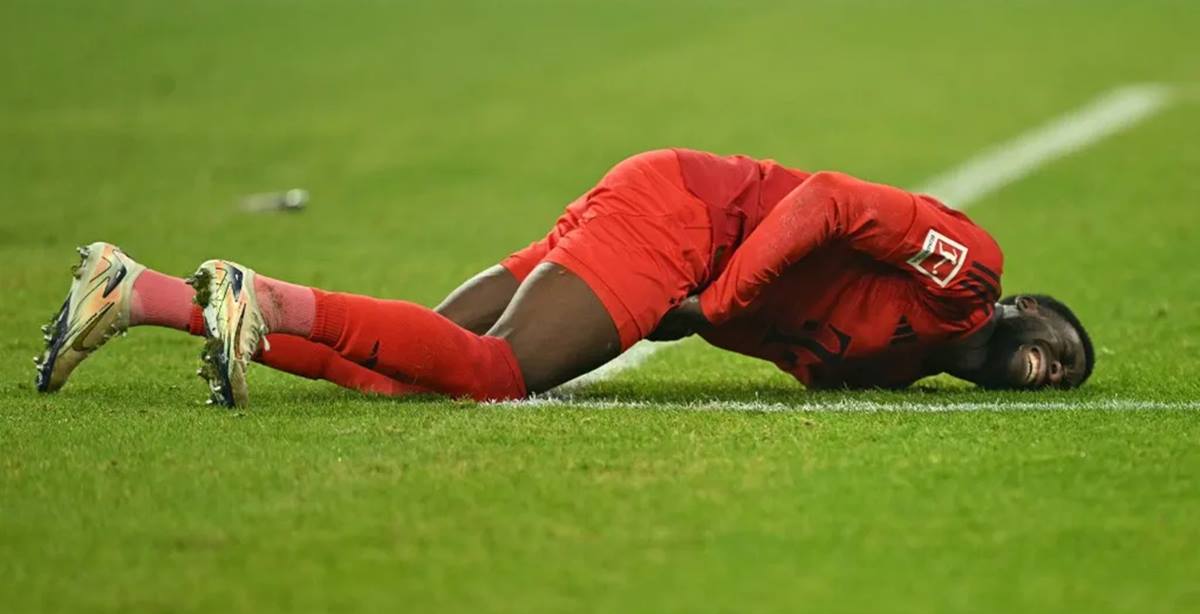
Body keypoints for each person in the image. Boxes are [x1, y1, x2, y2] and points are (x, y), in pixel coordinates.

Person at [34, 148, 1094, 407]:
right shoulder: (969, 278)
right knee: (495, 374)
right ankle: (258, 295)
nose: (1060, 366)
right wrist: (718, 303)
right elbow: (823, 200)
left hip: (668, 234)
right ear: (1028, 310)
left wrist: (701, 314)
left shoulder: (894, 369)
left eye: (1070, 377)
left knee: (412, 372)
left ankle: (142, 292)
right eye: (1065, 345)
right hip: (684, 220)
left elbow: (767, 321)